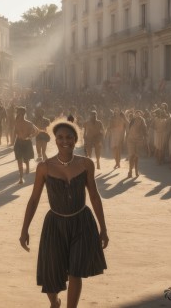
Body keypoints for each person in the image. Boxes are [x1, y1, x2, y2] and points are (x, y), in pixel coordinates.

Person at [19, 121, 108, 308]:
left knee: (75, 271)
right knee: (50, 273)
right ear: (55, 139)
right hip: (55, 224)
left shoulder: (86, 164)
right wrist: (24, 229)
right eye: (60, 137)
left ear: (76, 140)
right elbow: (34, 199)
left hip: (82, 222)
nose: (64, 141)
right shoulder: (44, 167)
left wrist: (103, 229)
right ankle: (55, 302)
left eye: (69, 137)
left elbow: (94, 196)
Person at [13, 107, 38, 184]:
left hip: (26, 143)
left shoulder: (29, 123)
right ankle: (21, 177)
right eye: (18, 113)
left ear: (23, 114)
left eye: (20, 113)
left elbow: (36, 131)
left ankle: (27, 167)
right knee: (19, 160)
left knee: (26, 159)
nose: (18, 115)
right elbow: (15, 132)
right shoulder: (16, 123)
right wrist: (14, 142)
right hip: (18, 143)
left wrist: (30, 137)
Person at [126, 111, 148, 178]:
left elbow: (145, 129)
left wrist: (145, 137)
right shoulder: (132, 120)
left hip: (139, 140)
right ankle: (130, 171)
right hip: (131, 140)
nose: (137, 114)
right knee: (131, 156)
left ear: (141, 115)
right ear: (134, 114)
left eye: (139, 113)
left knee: (136, 156)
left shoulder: (142, 120)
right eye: (136, 113)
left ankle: (136, 170)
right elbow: (128, 128)